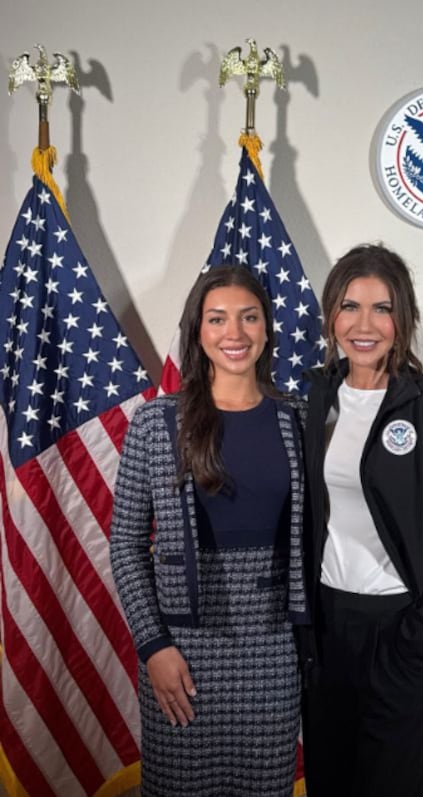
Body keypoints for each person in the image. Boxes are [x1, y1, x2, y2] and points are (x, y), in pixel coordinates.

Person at [300, 244, 423, 797]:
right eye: (350, 306)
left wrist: (418, 635)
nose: (364, 325)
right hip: (326, 632)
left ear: (403, 319)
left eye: (381, 308)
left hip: (401, 630)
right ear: (330, 316)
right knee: (329, 784)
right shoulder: (314, 398)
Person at [110, 265, 306, 797]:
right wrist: (154, 646)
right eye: (217, 319)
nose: (234, 333)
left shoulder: (297, 419)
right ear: (197, 331)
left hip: (271, 651)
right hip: (181, 649)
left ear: (267, 328)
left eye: (249, 317)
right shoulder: (156, 423)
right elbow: (126, 544)